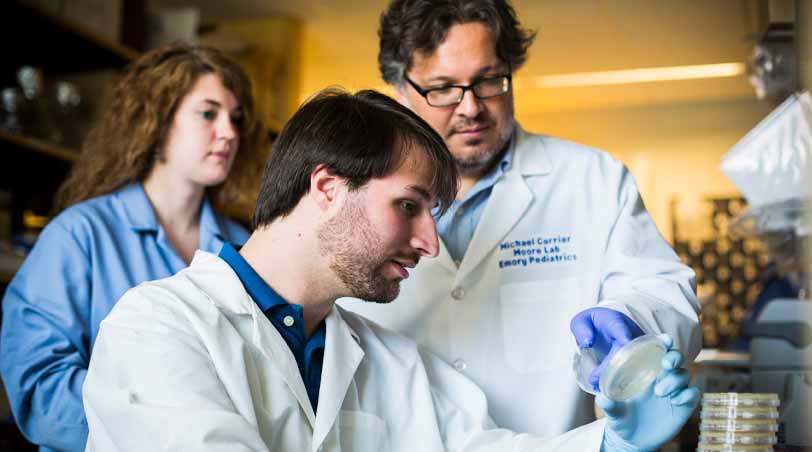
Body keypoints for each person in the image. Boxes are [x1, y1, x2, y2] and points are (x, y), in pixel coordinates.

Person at [82, 88, 699, 451]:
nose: (430, 243)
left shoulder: (382, 359)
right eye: (409, 206)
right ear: (326, 187)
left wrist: (606, 444)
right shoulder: (157, 327)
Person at [339, 0, 703, 437]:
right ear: (400, 90)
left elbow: (662, 290)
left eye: (489, 81)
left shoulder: (591, 180)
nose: (471, 107)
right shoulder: (355, 195)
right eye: (443, 88)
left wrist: (633, 321)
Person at [0, 42, 267, 452]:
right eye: (208, 114)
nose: (228, 132)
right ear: (158, 123)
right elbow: (40, 387)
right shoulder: (79, 235)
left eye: (235, 118)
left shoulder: (244, 248)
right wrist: (160, 437)